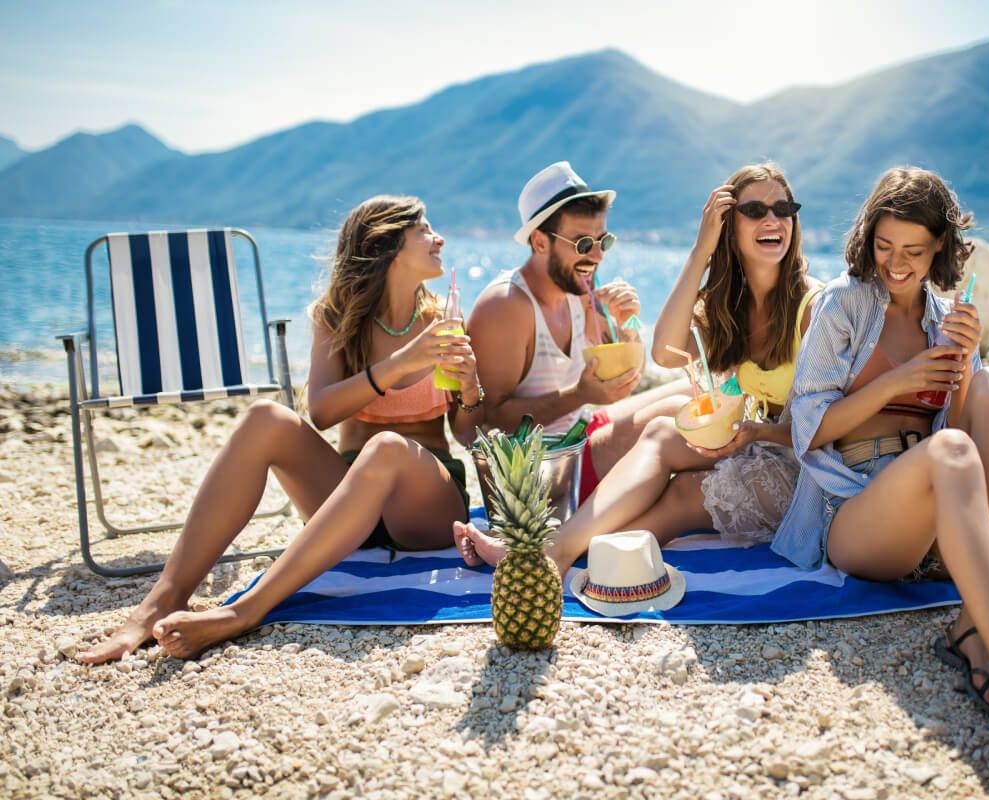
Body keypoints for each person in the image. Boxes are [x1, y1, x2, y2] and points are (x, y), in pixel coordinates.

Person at [80, 195, 484, 663]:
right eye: (425, 230)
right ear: (390, 246)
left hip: (425, 506)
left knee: (388, 447)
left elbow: (467, 433)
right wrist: (401, 363)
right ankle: (165, 596)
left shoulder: (445, 321)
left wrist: (472, 391)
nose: (440, 238)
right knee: (264, 418)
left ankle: (245, 613)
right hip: (345, 500)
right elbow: (323, 412)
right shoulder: (337, 318)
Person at [772, 167, 989, 760]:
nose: (897, 263)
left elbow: (957, 437)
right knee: (952, 449)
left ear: (940, 244)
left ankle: (971, 619)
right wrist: (900, 381)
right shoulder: (843, 305)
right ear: (868, 239)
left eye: (914, 249)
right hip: (857, 514)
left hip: (937, 521)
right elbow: (806, 430)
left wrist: (960, 364)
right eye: (884, 247)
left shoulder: (943, 316)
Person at [456, 163, 822, 572]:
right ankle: (555, 551)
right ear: (728, 228)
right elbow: (666, 353)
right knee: (670, 447)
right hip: (758, 446)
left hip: (807, 469)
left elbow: (828, 428)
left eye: (784, 208)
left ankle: (549, 553)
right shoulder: (732, 305)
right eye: (755, 211)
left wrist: (754, 431)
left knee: (683, 487)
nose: (773, 219)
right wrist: (700, 252)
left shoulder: (812, 308)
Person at [467, 161, 691, 503]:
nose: (598, 255)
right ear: (540, 242)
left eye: (604, 240)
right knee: (675, 411)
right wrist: (579, 394)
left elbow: (622, 382)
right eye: (584, 243)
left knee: (695, 388)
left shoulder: (580, 287)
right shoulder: (506, 307)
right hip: (536, 473)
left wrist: (627, 325)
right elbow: (489, 422)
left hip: (579, 434)